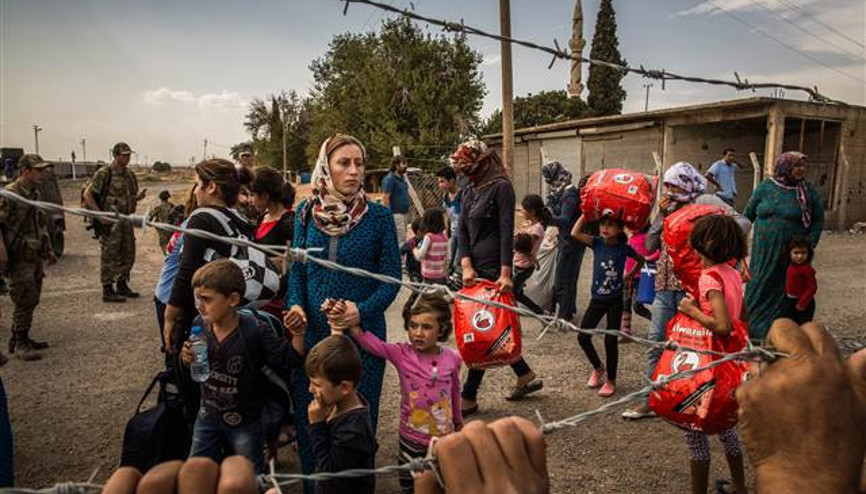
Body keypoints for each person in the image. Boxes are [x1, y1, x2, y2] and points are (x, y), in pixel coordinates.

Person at [102, 320, 866, 494]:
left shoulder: (447, 360)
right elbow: (380, 349)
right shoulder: (404, 360)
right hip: (418, 441)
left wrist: (804, 472)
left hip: (439, 439)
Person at [285, 134, 400, 482]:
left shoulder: (378, 217)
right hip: (316, 338)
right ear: (326, 168)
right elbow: (298, 270)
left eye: (359, 163)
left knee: (356, 422)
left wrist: (360, 312)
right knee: (315, 417)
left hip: (361, 339)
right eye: (344, 163)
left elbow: (392, 277)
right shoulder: (305, 214)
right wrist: (296, 307)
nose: (354, 171)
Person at [622, 162, 750, 419]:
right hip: (666, 286)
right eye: (667, 185)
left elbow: (742, 224)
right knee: (656, 342)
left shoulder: (705, 200)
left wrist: (706, 229)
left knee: (698, 348)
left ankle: (697, 397)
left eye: (673, 185)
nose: (669, 190)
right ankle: (651, 400)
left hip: (697, 289)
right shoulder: (667, 208)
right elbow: (649, 244)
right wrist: (660, 216)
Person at [179, 260, 305, 473]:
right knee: (196, 470)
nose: (199, 305)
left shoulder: (256, 331)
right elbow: (194, 371)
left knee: (249, 473)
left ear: (233, 299)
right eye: (197, 298)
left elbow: (291, 358)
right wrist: (186, 358)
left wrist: (299, 332)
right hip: (207, 414)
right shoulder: (199, 326)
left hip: (246, 421)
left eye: (206, 299)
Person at [451, 138, 542, 413]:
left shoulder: (501, 187)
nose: (464, 172)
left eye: (468, 166)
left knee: (482, 328)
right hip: (473, 267)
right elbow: (462, 231)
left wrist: (506, 273)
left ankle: (469, 395)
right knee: (486, 327)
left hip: (493, 268)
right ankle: (524, 374)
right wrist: (465, 265)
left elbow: (506, 233)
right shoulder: (468, 191)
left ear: (481, 162)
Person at [339, 292, 462, 494]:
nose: (418, 333)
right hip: (411, 440)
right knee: (408, 485)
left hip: (443, 439)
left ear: (442, 329)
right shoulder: (401, 353)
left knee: (442, 485)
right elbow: (375, 346)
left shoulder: (452, 358)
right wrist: (353, 328)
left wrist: (458, 422)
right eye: (413, 325)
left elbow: (455, 392)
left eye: (427, 327)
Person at [675, 215, 748, 494]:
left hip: (709, 361)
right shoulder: (733, 273)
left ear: (704, 245)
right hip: (730, 360)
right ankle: (739, 486)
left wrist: (692, 311)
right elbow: (742, 317)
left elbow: (722, 324)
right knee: (725, 425)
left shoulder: (709, 278)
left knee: (696, 431)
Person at [162, 159, 255, 355]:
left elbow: (187, 269)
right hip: (231, 314)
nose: (195, 191)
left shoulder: (201, 218)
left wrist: (170, 315)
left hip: (201, 316)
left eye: (197, 184)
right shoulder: (242, 220)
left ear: (211, 187)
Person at [744, 151, 824, 341]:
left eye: (803, 166)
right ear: (785, 167)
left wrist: (808, 245)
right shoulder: (765, 188)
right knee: (759, 287)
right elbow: (747, 215)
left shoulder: (808, 192)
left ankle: (781, 337)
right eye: (797, 166)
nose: (801, 170)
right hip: (763, 253)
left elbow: (818, 220)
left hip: (791, 256)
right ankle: (754, 334)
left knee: (787, 292)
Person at [571, 215, 644, 397]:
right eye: (603, 224)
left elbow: (640, 260)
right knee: (583, 337)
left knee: (610, 341)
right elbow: (575, 233)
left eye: (610, 225)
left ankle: (611, 380)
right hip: (597, 300)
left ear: (620, 229)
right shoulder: (596, 243)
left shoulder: (623, 248)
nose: (605, 228)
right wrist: (585, 213)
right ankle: (598, 367)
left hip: (615, 300)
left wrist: (629, 275)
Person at [0, 154, 57, 361]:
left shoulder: (34, 194)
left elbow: (40, 224)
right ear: (25, 171)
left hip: (34, 254)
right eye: (39, 170)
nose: (43, 174)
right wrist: (2, 251)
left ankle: (19, 337)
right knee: (24, 298)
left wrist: (49, 247)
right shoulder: (10, 194)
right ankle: (21, 343)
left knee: (33, 297)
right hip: (17, 256)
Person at [305, 335, 377, 494]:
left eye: (316, 384)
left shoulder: (354, 430)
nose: (310, 389)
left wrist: (317, 426)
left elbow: (330, 472)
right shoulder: (337, 402)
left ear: (344, 387)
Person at [83, 142, 146, 303]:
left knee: (128, 252)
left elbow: (130, 196)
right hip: (110, 222)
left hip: (126, 220)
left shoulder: (129, 174)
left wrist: (138, 198)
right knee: (110, 254)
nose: (127, 158)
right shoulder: (105, 173)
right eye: (124, 155)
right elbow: (88, 195)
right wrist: (99, 215)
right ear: (115, 155)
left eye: (129, 155)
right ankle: (107, 289)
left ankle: (122, 284)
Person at [249, 166, 296, 320]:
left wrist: (285, 261)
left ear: (265, 195)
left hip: (280, 298)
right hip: (260, 292)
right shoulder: (262, 218)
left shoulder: (289, 222)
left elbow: (296, 259)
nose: (250, 200)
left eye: (253, 195)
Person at [541, 161, 585, 323]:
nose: (547, 182)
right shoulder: (560, 192)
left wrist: (549, 219)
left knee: (563, 278)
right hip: (567, 240)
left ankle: (564, 315)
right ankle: (568, 309)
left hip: (571, 242)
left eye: (548, 178)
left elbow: (566, 219)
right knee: (569, 276)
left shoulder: (569, 195)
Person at [154, 186, 196, 350]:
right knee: (177, 356)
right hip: (172, 298)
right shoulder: (194, 228)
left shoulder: (188, 223)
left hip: (165, 294)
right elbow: (186, 270)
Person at [513, 194, 550, 315]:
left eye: (524, 209)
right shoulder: (532, 225)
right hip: (521, 263)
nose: (522, 211)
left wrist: (518, 237)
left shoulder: (536, 229)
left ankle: (538, 311)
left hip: (523, 266)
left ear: (532, 211)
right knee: (517, 291)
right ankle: (517, 310)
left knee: (514, 292)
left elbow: (525, 247)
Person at [621, 225, 656, 338]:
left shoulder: (648, 237)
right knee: (625, 304)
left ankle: (656, 321)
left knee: (637, 306)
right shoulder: (631, 236)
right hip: (628, 277)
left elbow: (659, 251)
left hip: (642, 278)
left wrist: (649, 258)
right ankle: (625, 331)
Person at [782, 235, 817, 324]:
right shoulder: (791, 266)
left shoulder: (807, 269)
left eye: (803, 253)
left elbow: (812, 287)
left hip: (803, 302)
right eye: (796, 253)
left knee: (803, 326)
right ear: (789, 253)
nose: (800, 256)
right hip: (790, 300)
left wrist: (802, 303)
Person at [412, 208, 449, 285]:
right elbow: (447, 257)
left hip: (428, 276)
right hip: (440, 275)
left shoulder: (429, 237)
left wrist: (414, 250)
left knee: (427, 295)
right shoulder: (445, 237)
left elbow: (420, 256)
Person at [436, 166, 462, 273]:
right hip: (453, 232)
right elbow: (447, 215)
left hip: (462, 233)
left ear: (451, 181)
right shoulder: (446, 196)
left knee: (458, 259)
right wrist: (446, 232)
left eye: (442, 181)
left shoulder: (463, 195)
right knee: (450, 257)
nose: (440, 185)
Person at [383, 155, 411, 245]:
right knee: (400, 239)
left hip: (404, 212)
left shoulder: (402, 178)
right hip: (396, 214)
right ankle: (400, 258)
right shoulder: (390, 179)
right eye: (403, 163)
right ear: (396, 165)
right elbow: (386, 197)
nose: (406, 166)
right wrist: (389, 214)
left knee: (403, 237)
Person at [147, 190, 176, 254]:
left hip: (162, 230)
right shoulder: (172, 206)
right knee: (172, 247)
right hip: (171, 229)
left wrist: (153, 224)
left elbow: (149, 219)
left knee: (164, 247)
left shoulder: (157, 207)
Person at [401, 218, 423, 283]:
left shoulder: (425, 240)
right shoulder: (412, 242)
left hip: (421, 269)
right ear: (419, 231)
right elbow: (402, 250)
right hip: (413, 270)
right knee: (416, 285)